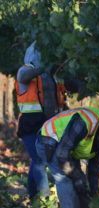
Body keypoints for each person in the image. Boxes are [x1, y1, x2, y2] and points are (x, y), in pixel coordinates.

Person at [15, 41, 66, 199]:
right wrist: (44, 67)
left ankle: (32, 195)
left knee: (37, 160)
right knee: (39, 160)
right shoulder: (25, 71)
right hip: (30, 125)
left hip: (49, 125)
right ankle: (44, 197)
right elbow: (24, 76)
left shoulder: (53, 76)